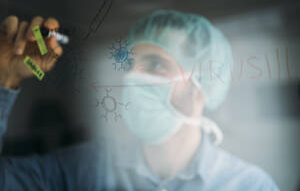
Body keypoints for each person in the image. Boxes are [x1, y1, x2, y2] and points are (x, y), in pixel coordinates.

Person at [0, 10, 279, 190]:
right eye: (131, 65)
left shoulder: (248, 185)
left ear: (200, 87)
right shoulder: (88, 168)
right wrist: (4, 80)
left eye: (155, 65)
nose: (133, 78)